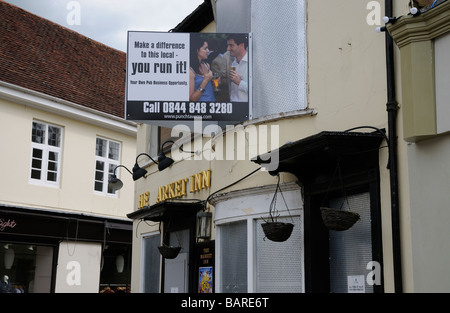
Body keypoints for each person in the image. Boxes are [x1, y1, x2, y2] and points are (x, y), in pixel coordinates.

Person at [189, 36, 215, 102]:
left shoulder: (207, 65)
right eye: (205, 48)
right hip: (201, 109)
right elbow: (192, 99)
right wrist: (205, 80)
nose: (208, 51)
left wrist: (214, 83)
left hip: (212, 106)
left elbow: (208, 89)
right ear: (197, 50)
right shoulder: (190, 71)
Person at [227, 34, 248, 102]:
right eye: (228, 45)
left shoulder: (251, 63)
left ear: (241, 45)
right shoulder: (233, 63)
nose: (228, 49)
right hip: (233, 104)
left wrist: (239, 82)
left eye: (231, 45)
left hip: (245, 107)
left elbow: (256, 90)